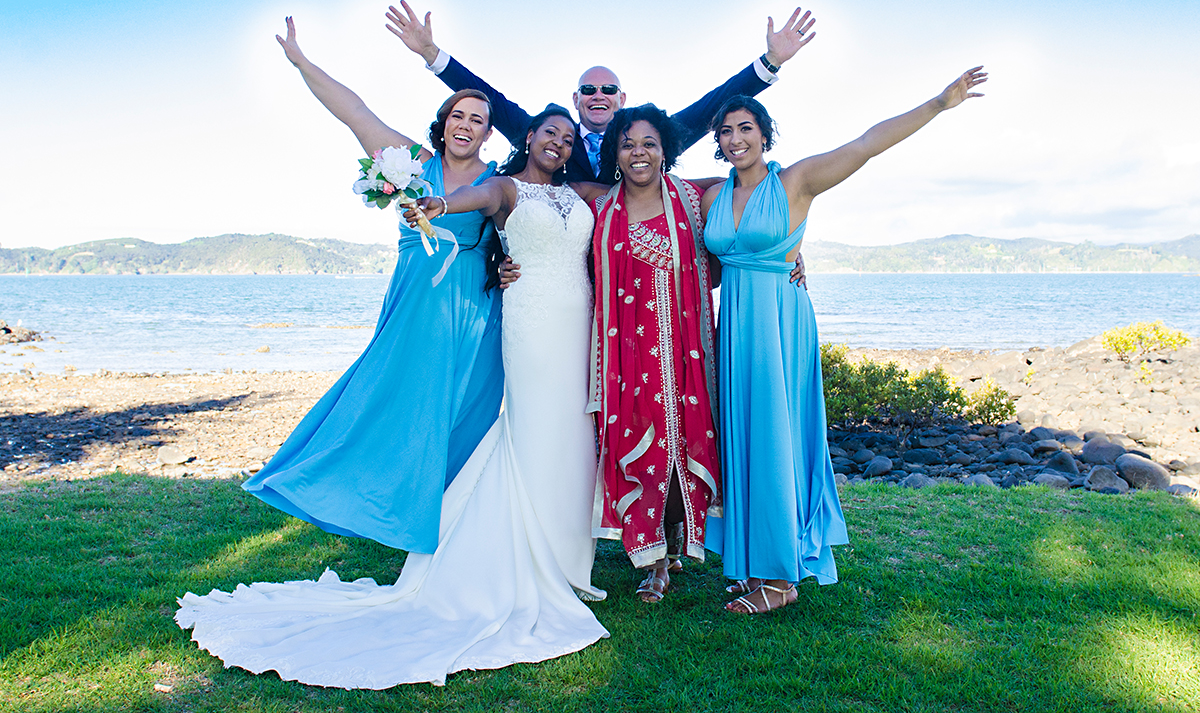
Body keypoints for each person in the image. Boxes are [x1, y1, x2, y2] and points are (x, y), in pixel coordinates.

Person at [177, 107, 611, 688]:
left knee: (568, 435)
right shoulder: (501, 185)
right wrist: (435, 205)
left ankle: (563, 555)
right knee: (528, 431)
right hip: (529, 324)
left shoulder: (579, 192)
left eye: (566, 135)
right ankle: (521, 559)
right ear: (527, 137)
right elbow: (473, 202)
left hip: (572, 321)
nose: (557, 141)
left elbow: (644, 186)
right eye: (547, 132)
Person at [701, 67, 989, 613]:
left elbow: (865, 145)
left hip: (778, 325)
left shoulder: (795, 182)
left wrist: (937, 103)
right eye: (725, 132)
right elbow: (649, 188)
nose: (735, 139)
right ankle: (749, 561)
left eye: (745, 128)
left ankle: (781, 579)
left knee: (777, 438)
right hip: (734, 324)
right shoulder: (713, 192)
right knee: (743, 440)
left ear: (765, 134)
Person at [240, 17, 504, 555]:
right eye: (458, 114)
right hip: (415, 305)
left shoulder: (498, 178)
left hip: (474, 311)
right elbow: (354, 111)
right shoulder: (413, 163)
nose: (466, 125)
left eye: (477, 120)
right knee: (383, 398)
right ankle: (355, 492)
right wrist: (301, 62)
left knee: (461, 410)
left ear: (487, 133)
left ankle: (448, 517)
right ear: (444, 122)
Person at [385, 0, 816, 184]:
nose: (598, 95)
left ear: (621, 100)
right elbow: (490, 100)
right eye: (588, 89)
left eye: (608, 89)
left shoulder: (649, 138)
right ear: (575, 100)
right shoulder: (547, 138)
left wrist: (770, 64)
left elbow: (709, 107)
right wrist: (432, 54)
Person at [586, 105, 723, 603]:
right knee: (643, 448)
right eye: (627, 144)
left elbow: (759, 193)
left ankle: (677, 542)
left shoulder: (692, 198)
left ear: (665, 149)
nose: (638, 152)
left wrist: (794, 250)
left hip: (686, 351)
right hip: (629, 356)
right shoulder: (601, 210)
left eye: (648, 142)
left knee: (682, 446)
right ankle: (655, 561)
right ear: (615, 154)